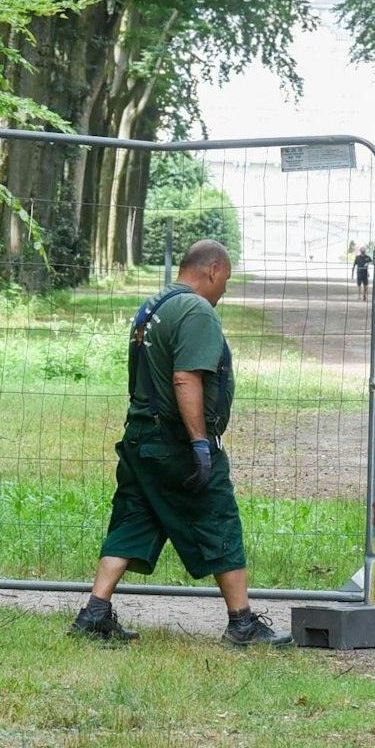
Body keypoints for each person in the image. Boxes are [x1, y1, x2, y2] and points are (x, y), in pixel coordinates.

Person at [71, 239, 292, 648]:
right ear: (211, 270)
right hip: (175, 443)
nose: (223, 290)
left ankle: (95, 613)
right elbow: (185, 378)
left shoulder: (153, 306)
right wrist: (200, 445)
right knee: (219, 516)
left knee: (134, 518)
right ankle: (242, 623)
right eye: (224, 280)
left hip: (140, 438)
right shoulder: (195, 310)